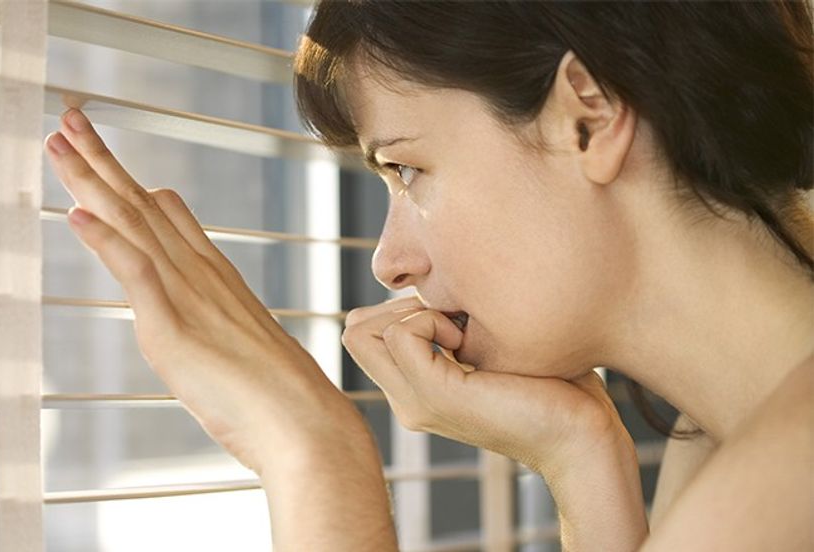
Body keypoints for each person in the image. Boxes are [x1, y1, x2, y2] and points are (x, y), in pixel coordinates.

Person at [43, 1, 813, 549]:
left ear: (590, 115)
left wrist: (316, 457)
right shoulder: (722, 440)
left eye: (409, 169)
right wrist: (579, 457)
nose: (388, 261)